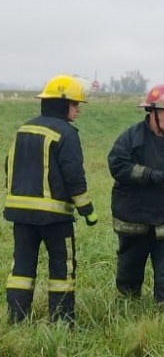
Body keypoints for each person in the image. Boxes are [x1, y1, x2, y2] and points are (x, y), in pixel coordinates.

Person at [3, 75, 98, 326]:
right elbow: (73, 174)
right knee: (62, 268)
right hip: (54, 217)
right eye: (75, 104)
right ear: (60, 103)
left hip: (20, 214)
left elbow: (7, 165)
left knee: (21, 268)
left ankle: (16, 319)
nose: (78, 109)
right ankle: (62, 322)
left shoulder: (24, 128)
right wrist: (86, 209)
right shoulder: (66, 132)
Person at [107, 84, 164, 308]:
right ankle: (127, 304)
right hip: (134, 218)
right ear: (154, 112)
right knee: (130, 265)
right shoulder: (131, 138)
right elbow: (117, 165)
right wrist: (149, 175)